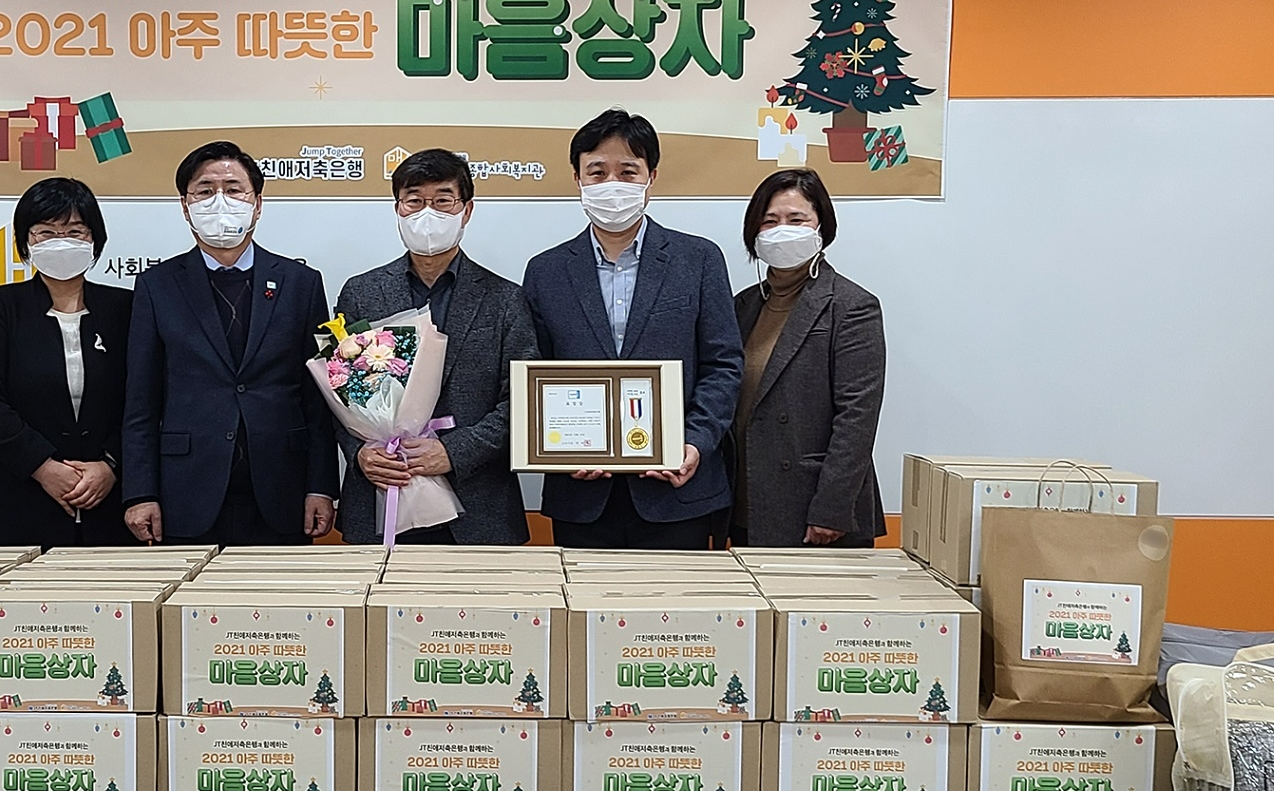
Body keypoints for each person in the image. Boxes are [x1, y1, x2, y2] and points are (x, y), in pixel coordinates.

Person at [522, 108, 744, 549]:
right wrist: (562, 449)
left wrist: (695, 443)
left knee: (681, 616)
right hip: (582, 496)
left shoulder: (698, 260)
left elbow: (723, 365)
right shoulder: (545, 271)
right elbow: (533, 371)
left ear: (651, 177)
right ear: (577, 179)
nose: (612, 185)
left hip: (678, 489)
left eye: (628, 172)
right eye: (597, 172)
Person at [121, 141, 337, 546]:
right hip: (185, 491)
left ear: (257, 203)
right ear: (186, 207)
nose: (220, 200)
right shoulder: (158, 286)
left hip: (281, 489)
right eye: (204, 191)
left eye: (234, 189)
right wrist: (140, 492)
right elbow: (141, 401)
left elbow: (318, 398)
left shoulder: (301, 283)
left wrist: (321, 485)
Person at [332, 149, 538, 545]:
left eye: (443, 200)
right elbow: (338, 392)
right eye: (415, 200)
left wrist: (454, 452)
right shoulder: (361, 294)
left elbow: (523, 401)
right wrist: (361, 453)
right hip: (383, 496)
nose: (428, 213)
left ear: (467, 209)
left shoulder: (505, 299)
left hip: (479, 507)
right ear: (398, 209)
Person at [0, 177, 134, 548]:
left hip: (110, 498)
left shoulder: (125, 308)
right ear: (25, 241)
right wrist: (42, 466)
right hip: (23, 493)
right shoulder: (1, 307)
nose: (62, 242)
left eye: (75, 231)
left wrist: (111, 465)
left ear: (94, 240)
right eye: (46, 232)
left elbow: (146, 397)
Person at [729, 168, 887, 546]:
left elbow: (857, 418)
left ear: (821, 228)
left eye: (796, 219)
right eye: (770, 220)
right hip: (745, 499)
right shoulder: (742, 305)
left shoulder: (852, 306)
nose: (782, 229)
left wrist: (831, 509)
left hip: (815, 507)